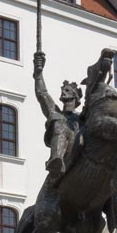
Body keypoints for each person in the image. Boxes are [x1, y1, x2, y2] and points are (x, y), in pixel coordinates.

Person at [33, 51, 84, 180]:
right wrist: (38, 74)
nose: (63, 92)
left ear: (75, 97)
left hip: (80, 148)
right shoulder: (55, 112)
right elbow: (42, 94)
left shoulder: (82, 117)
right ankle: (56, 160)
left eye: (67, 90)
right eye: (63, 90)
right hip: (65, 152)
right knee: (59, 121)